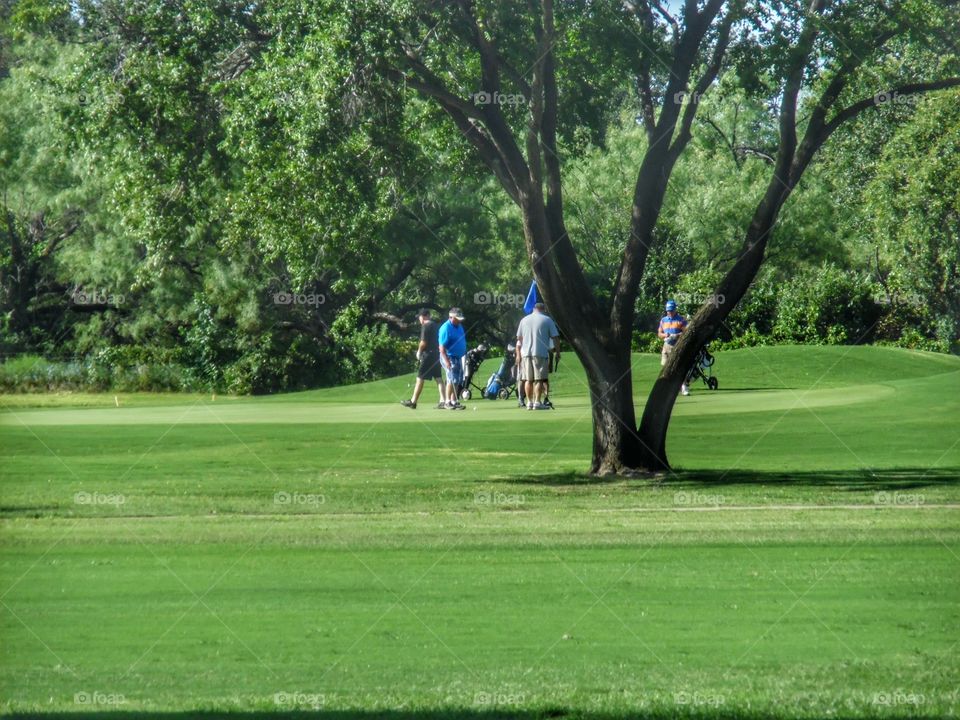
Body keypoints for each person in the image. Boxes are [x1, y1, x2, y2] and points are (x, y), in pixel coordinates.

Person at [515, 302, 560, 410]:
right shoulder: (547, 320)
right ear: (544, 309)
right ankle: (537, 402)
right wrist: (557, 352)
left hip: (525, 354)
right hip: (540, 353)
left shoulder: (524, 320)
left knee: (528, 380)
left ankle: (529, 403)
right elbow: (555, 337)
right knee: (539, 380)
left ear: (534, 309)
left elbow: (519, 338)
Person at [401, 308, 446, 409]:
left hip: (428, 354)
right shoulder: (435, 325)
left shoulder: (426, 325)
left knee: (420, 378)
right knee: (438, 378)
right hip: (436, 354)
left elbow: (423, 342)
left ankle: (413, 401)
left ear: (424, 316)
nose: (419, 320)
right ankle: (443, 401)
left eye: (420, 317)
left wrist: (419, 351)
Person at [658, 299, 690, 396]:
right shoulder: (663, 320)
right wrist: (665, 335)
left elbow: (686, 332)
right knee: (665, 367)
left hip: (678, 345)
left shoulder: (681, 320)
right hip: (666, 346)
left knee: (679, 367)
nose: (669, 312)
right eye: (668, 310)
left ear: (675, 309)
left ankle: (683, 386)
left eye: (671, 310)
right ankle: (666, 389)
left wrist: (677, 335)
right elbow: (659, 333)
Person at [438, 307, 467, 410]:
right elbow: (441, 348)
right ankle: (447, 402)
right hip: (448, 356)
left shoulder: (459, 326)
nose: (460, 320)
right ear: (451, 317)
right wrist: (447, 362)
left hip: (458, 357)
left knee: (458, 379)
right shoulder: (445, 328)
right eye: (457, 318)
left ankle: (454, 401)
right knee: (451, 379)